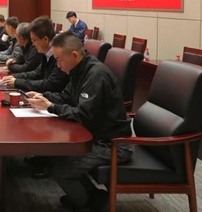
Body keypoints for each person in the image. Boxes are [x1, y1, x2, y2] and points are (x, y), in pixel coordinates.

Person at [26, 32, 133, 210]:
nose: (58, 65)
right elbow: (66, 97)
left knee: (62, 170)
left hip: (114, 144)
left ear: (74, 55)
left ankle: (85, 204)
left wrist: (51, 107)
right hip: (98, 136)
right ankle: (93, 197)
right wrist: (44, 96)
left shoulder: (95, 75)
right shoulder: (79, 70)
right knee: (60, 159)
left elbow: (84, 115)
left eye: (59, 60)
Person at [0, 16, 69, 93]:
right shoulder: (47, 53)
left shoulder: (59, 57)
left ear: (45, 39)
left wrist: (18, 82)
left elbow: (50, 84)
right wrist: (13, 77)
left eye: (34, 40)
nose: (33, 44)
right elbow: (37, 73)